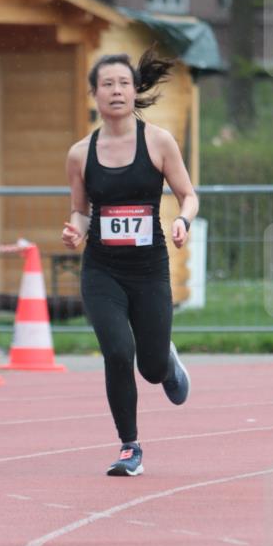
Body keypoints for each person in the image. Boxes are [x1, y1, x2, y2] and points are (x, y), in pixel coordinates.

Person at [62, 47, 199, 476]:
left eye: (123, 83)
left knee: (151, 368)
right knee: (118, 353)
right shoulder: (80, 153)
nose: (116, 91)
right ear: (94, 94)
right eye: (107, 84)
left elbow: (188, 195)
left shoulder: (158, 142)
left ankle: (166, 362)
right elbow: (81, 210)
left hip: (149, 270)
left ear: (135, 89)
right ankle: (129, 447)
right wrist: (76, 230)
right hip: (102, 271)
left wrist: (183, 221)